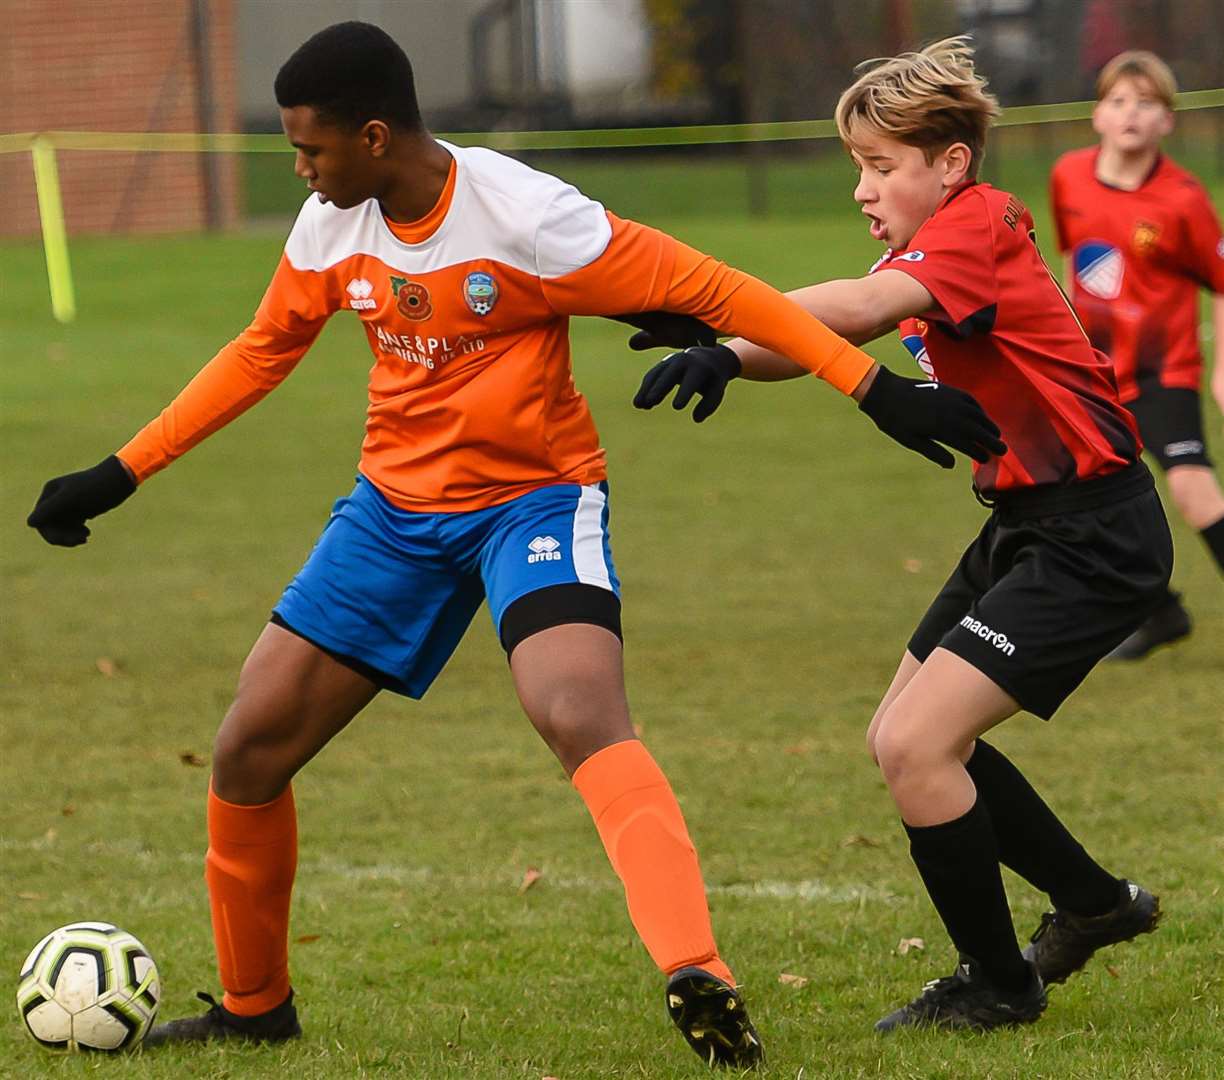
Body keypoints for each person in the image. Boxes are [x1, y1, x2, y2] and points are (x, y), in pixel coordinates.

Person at [24, 22, 1004, 1068]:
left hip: (534, 503)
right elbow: (262, 352)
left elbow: (718, 290)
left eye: (309, 149)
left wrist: (873, 390)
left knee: (578, 711)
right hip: (392, 516)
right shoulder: (330, 225)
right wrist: (119, 472)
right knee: (247, 751)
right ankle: (255, 1007)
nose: (299, 170)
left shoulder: (529, 217)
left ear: (371, 136)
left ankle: (698, 971)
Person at [633, 37, 1171, 1032]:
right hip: (1026, 524)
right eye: (859, 169)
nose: (862, 191)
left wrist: (717, 320)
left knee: (921, 746)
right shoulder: (934, 251)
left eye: (881, 167)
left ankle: (1001, 986)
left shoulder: (983, 221)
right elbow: (840, 326)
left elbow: (860, 305)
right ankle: (1095, 904)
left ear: (949, 163)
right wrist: (728, 352)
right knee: (903, 740)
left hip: (1094, 532)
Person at [1050, 50, 1224, 659]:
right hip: (1093, 373)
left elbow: (1222, 280)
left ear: (1168, 122)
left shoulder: (1182, 199)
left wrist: (1223, 366)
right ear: (1096, 114)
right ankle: (1160, 612)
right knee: (1077, 496)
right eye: (1119, 101)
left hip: (1162, 368)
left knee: (1193, 489)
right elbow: (1076, 261)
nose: (1131, 114)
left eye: (1146, 103)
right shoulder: (1068, 175)